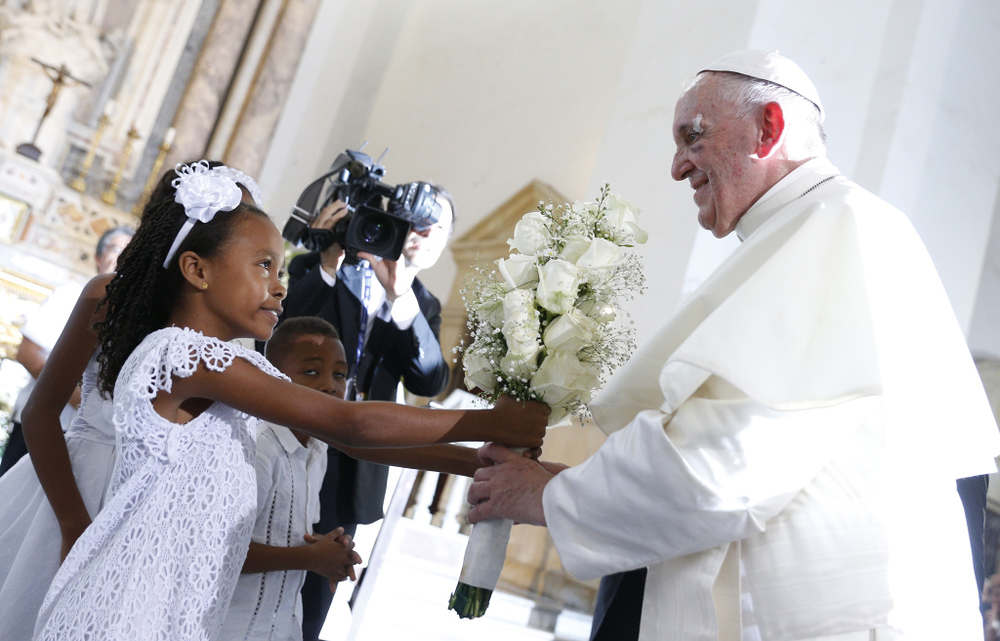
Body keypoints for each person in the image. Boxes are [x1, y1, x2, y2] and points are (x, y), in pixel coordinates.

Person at [465, 50, 1000, 640]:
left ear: (768, 128)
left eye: (693, 137)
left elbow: (721, 466)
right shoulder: (830, 225)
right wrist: (586, 491)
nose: (677, 167)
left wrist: (554, 498)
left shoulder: (836, 226)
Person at [30, 160, 547, 641]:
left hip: (172, 609)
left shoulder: (236, 365)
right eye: (264, 266)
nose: (280, 287)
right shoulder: (181, 355)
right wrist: (492, 419)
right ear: (197, 269)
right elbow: (349, 424)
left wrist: (485, 462)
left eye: (280, 270)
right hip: (122, 609)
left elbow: (353, 441)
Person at [0, 170, 259, 641]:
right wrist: (74, 523)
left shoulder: (233, 330)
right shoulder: (108, 296)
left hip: (156, 511)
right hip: (80, 489)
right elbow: (41, 412)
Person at [280, 190, 455, 639]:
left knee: (315, 602)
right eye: (421, 223)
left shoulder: (423, 305)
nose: (430, 236)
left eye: (443, 229)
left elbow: (430, 380)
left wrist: (401, 301)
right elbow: (278, 330)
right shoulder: (331, 268)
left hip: (353, 469)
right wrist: (326, 261)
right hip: (289, 445)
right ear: (393, 222)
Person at [0, 225, 132, 477]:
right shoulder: (71, 296)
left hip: (85, 438)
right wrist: (79, 398)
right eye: (117, 249)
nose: (122, 257)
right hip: (41, 422)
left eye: (130, 251)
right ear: (98, 257)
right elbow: (28, 353)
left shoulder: (132, 318)